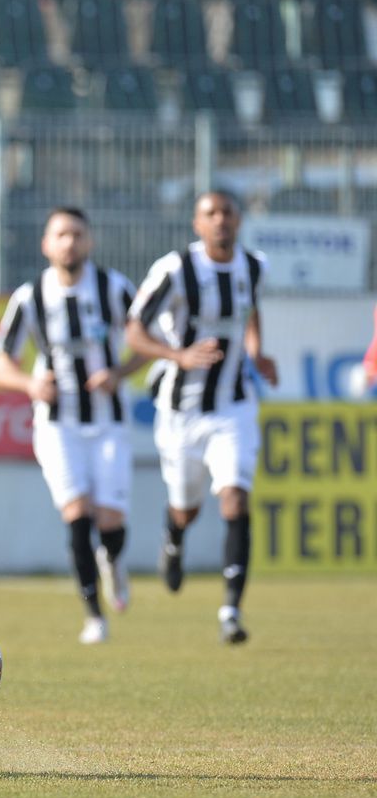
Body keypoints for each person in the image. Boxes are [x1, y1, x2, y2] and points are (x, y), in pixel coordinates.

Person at [126, 190, 278, 645]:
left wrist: (257, 353)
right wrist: (179, 355)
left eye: (228, 212)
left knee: (235, 498)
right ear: (197, 223)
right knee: (186, 508)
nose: (220, 220)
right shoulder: (175, 269)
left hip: (234, 406)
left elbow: (250, 311)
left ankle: (231, 610)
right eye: (211, 213)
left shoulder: (255, 266)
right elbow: (134, 331)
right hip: (181, 412)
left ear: (239, 220)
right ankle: (174, 537)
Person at [0, 207, 145, 645]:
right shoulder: (30, 297)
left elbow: (148, 342)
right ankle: (95, 617)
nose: (69, 242)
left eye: (77, 234)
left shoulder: (114, 288)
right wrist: (30, 384)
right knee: (77, 515)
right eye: (60, 234)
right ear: (46, 244)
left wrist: (119, 372)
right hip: (58, 425)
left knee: (111, 522)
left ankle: (112, 560)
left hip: (109, 421)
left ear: (89, 241)